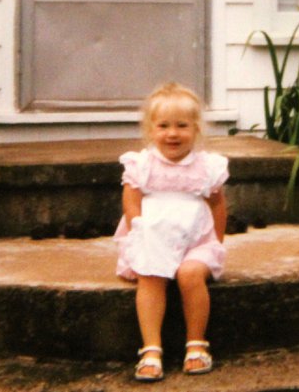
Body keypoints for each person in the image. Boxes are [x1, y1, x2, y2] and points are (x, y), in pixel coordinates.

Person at [113, 82, 229, 382]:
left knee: (189, 275)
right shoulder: (142, 165)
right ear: (151, 129)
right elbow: (131, 202)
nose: (172, 133)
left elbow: (217, 205)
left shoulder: (207, 167)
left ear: (196, 128)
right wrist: (140, 232)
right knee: (151, 277)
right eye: (163, 126)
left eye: (182, 125)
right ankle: (151, 349)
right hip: (153, 238)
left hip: (196, 243)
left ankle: (196, 344)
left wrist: (215, 243)